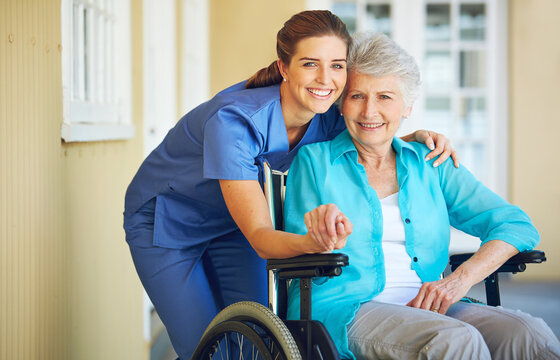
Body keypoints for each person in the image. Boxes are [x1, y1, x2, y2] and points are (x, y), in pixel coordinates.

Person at [123, 11, 457, 359]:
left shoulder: (327, 114)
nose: (326, 79)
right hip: (168, 224)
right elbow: (261, 236)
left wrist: (415, 138)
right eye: (310, 64)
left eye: (337, 65)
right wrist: (310, 242)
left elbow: (371, 131)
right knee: (210, 350)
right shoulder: (234, 123)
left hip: (233, 223)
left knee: (258, 340)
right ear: (284, 67)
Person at [284, 32, 560, 360]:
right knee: (455, 341)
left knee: (530, 335)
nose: (369, 111)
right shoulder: (315, 162)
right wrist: (321, 232)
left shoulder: (430, 162)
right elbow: (299, 242)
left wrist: (460, 280)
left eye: (385, 97)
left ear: (408, 105)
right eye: (357, 95)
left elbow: (515, 225)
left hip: (430, 305)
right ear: (342, 102)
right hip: (346, 310)